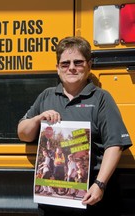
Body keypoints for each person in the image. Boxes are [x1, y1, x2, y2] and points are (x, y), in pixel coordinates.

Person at [17, 36, 132, 216]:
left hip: (91, 197)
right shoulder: (47, 96)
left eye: (78, 62)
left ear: (89, 65)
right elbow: (23, 134)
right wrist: (38, 119)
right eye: (65, 64)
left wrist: (100, 184)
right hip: (52, 198)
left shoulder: (101, 98)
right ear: (57, 68)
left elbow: (114, 145)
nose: (71, 68)